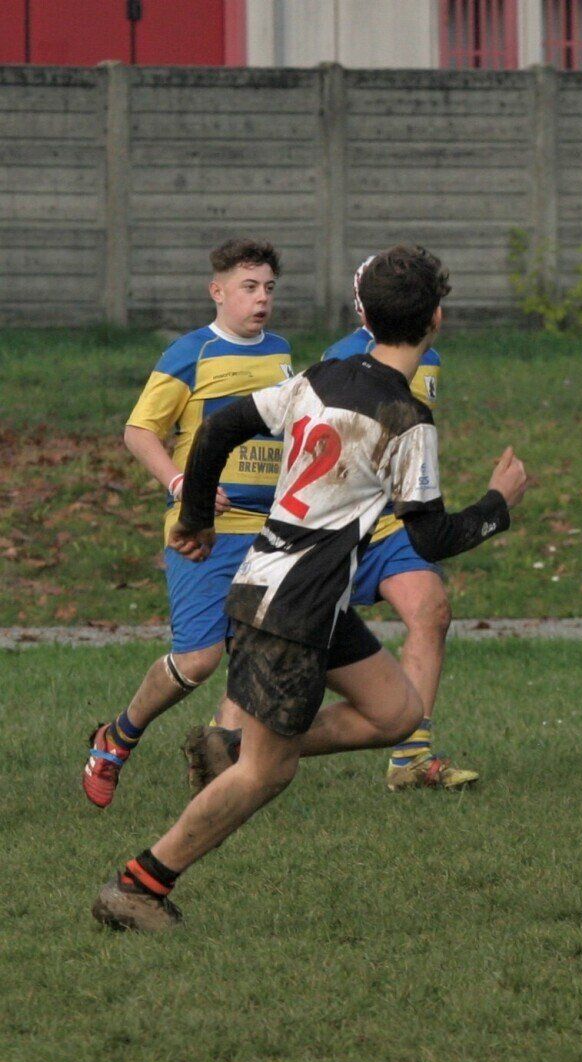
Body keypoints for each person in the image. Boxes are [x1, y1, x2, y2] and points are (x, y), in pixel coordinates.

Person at [91, 245, 528, 931]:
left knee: (395, 715)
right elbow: (431, 538)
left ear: (368, 316)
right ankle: (138, 885)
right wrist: (499, 503)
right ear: (436, 318)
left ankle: (242, 747)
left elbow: (221, 426)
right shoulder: (404, 419)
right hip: (293, 605)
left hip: (300, 593)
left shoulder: (324, 374)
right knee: (267, 776)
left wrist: (197, 516)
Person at [84, 239, 294, 808]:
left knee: (253, 650)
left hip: (270, 529)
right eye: (249, 288)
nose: (262, 300)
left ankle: (222, 769)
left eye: (269, 288)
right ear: (217, 291)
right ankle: (119, 735)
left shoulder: (281, 354)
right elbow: (137, 432)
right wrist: (185, 486)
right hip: (204, 531)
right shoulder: (190, 352)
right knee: (200, 658)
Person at [318, 255, 473, 791]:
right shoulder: (338, 363)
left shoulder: (426, 361)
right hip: (339, 521)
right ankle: (234, 738)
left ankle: (411, 756)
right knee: (298, 643)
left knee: (430, 609)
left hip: (392, 523)